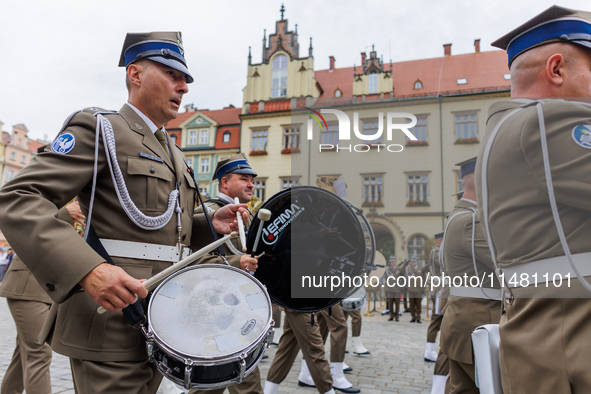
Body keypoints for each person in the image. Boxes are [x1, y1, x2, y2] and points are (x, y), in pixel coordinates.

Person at [0, 31, 247, 393]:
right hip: (110, 318)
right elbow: (19, 197)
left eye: (186, 80)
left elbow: (161, 230)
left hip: (164, 317)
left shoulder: (174, 153)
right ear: (135, 74)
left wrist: (208, 224)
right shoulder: (100, 128)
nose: (183, 87)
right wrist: (88, 269)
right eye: (172, 75)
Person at [474, 5, 591, 393]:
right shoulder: (549, 122)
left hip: (551, 340)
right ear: (556, 70)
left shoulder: (515, 126)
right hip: (572, 344)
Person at [187, 153, 263, 394]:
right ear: (225, 183)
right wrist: (234, 262)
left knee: (238, 377)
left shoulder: (246, 214)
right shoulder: (207, 211)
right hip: (214, 313)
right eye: (244, 178)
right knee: (217, 380)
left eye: (252, 179)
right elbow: (188, 260)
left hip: (238, 308)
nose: (251, 184)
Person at [0, 201, 84, 394]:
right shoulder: (44, 188)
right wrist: (63, 214)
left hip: (50, 290)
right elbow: (18, 224)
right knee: (38, 352)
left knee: (23, 355)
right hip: (27, 286)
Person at [440, 158, 501, 393]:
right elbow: (507, 266)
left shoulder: (460, 216)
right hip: (478, 318)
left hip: (463, 318)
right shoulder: (471, 221)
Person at [424, 233, 444, 362]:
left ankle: (431, 350)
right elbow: (445, 264)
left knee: (438, 319)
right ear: (440, 240)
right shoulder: (436, 252)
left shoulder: (437, 251)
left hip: (440, 288)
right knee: (436, 319)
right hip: (439, 289)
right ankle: (430, 351)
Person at [405, 257, 424, 323]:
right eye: (412, 262)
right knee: (412, 304)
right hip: (411, 289)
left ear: (417, 262)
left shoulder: (420, 269)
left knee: (418, 304)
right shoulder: (409, 269)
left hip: (418, 289)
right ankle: (413, 317)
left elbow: (424, 279)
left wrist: (422, 288)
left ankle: (418, 317)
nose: (413, 263)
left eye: (414, 261)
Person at [384, 257, 402, 322]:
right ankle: (391, 316)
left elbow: (402, 277)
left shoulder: (399, 269)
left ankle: (396, 316)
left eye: (393, 261)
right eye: (391, 262)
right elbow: (386, 278)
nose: (392, 263)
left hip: (397, 288)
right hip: (390, 289)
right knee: (390, 303)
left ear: (396, 262)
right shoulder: (387, 269)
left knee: (397, 304)